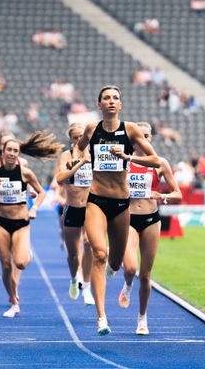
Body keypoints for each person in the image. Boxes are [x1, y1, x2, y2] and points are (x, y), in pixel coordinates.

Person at [71, 85, 160, 335]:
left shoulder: (129, 130)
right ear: (99, 104)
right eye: (106, 98)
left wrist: (127, 157)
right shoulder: (92, 129)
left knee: (117, 260)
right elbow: (80, 146)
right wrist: (81, 159)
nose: (111, 101)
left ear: (120, 104)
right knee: (98, 253)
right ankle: (101, 318)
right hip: (96, 199)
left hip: (122, 204)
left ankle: (113, 265)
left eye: (115, 98)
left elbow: (155, 160)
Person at [0, 131, 63, 318]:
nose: (11, 153)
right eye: (8, 149)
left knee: (21, 263)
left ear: (18, 153)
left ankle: (26, 254)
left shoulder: (25, 171)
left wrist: (34, 209)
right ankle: (14, 301)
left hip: (21, 221)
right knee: (6, 266)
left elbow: (41, 192)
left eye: (15, 150)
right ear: (3, 152)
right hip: (0, 221)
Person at [117, 122, 182, 335]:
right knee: (130, 268)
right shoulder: (123, 162)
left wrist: (162, 196)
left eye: (146, 136)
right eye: (139, 137)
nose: (142, 140)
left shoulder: (160, 163)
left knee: (145, 275)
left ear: (151, 139)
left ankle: (142, 319)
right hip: (128, 219)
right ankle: (127, 285)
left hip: (152, 220)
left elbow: (177, 194)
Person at [55, 123, 95, 305]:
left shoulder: (94, 154)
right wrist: (79, 164)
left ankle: (87, 287)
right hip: (72, 208)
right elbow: (60, 179)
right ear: (71, 140)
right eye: (75, 137)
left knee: (89, 244)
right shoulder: (67, 155)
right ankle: (73, 279)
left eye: (82, 136)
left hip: (91, 207)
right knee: (72, 255)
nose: (79, 140)